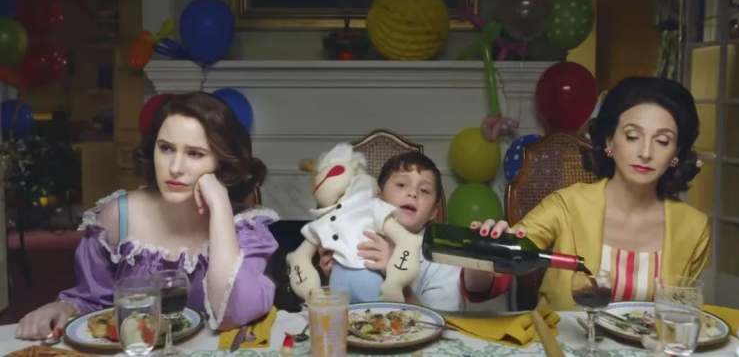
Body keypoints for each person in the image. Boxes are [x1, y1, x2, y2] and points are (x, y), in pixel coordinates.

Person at [16, 92, 278, 339]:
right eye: (166, 148)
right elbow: (94, 302)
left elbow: (234, 313)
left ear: (221, 161)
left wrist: (220, 205)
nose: (175, 168)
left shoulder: (243, 227)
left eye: (195, 154)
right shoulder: (118, 216)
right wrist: (63, 308)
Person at [463, 76, 709, 310]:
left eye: (663, 141)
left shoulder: (693, 227)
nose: (645, 152)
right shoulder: (567, 205)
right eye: (632, 136)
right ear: (609, 141)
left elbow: (681, 314)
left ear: (676, 153)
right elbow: (496, 274)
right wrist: (482, 260)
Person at [318, 151, 464, 311]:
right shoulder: (354, 235)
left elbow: (441, 321)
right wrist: (335, 271)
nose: (413, 193)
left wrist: (395, 277)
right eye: (401, 185)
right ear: (378, 196)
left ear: (434, 212)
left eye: (424, 190)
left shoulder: (443, 261)